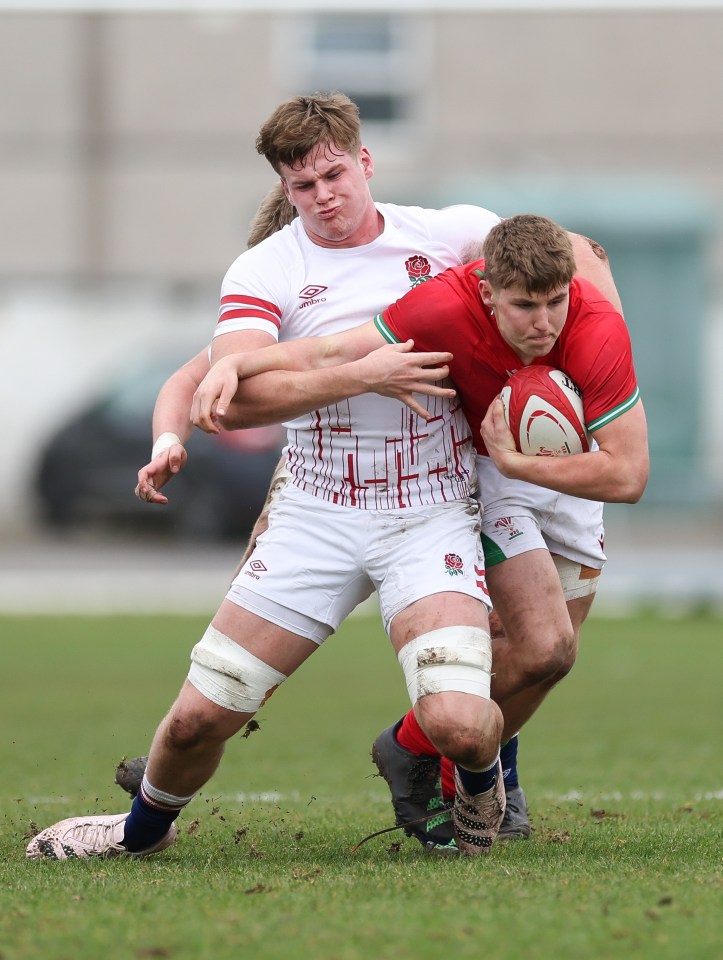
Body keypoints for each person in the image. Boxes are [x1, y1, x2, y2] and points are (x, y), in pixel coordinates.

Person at [27, 92, 511, 862]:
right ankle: (137, 832)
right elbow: (234, 390)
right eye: (302, 185)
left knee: (462, 720)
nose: (322, 197)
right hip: (315, 512)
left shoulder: (449, 234)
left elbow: (564, 262)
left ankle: (486, 783)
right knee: (197, 720)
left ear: (364, 161)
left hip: (430, 511)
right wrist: (367, 372)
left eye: (332, 175)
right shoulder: (268, 265)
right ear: (284, 189)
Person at [187, 213, 648, 854]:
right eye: (524, 305)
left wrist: (526, 459)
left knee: (546, 659)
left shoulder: (590, 320)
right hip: (485, 470)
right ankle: (478, 774)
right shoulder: (438, 299)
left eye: (556, 301)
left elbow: (628, 474)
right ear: (488, 288)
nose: (544, 322)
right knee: (535, 642)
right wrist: (230, 369)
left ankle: (419, 747)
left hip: (566, 464)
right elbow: (327, 350)